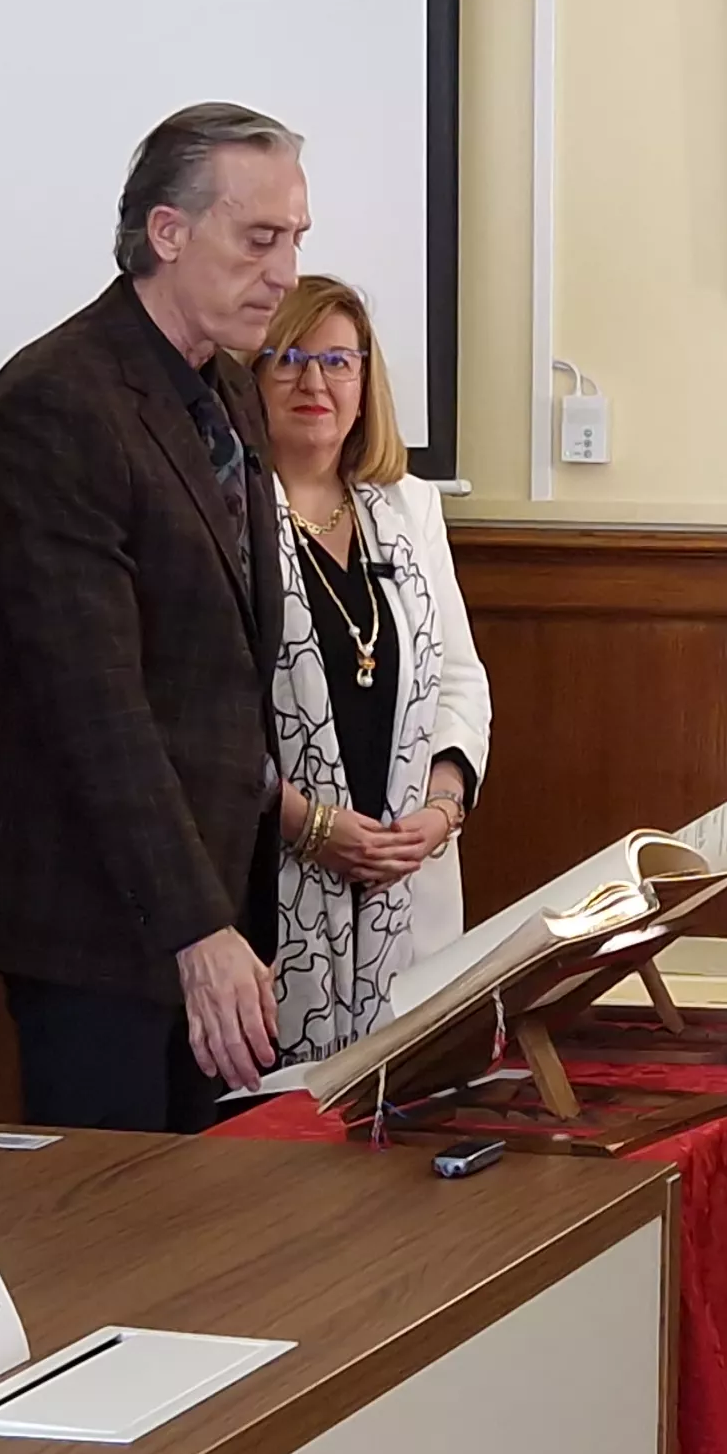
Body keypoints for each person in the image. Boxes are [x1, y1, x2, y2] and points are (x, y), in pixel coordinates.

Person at [0, 103, 304, 1129]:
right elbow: (91, 702)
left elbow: (225, 662)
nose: (282, 272)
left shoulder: (227, 390)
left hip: (208, 889)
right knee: (108, 1231)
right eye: (259, 239)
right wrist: (196, 928)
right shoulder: (56, 403)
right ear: (168, 231)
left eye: (295, 241)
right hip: (93, 911)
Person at [252, 275, 492, 1061]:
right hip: (270, 879)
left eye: (337, 361)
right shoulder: (225, 513)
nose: (313, 382)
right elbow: (197, 715)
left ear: (366, 382)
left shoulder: (409, 508)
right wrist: (309, 825)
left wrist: (443, 809)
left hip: (406, 880)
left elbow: (457, 677)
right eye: (286, 358)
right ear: (250, 376)